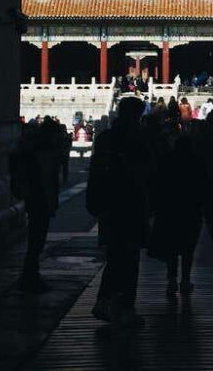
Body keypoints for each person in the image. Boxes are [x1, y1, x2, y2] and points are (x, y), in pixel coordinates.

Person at [86, 96, 152, 327]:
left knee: (115, 256)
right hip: (130, 206)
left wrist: (94, 204)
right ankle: (125, 307)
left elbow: (95, 172)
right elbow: (145, 173)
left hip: (108, 206)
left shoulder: (105, 138)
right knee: (130, 258)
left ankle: (104, 301)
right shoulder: (138, 139)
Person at [148, 134, 207, 296]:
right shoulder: (197, 162)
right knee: (189, 248)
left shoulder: (167, 160)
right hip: (191, 210)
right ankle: (186, 280)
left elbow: (157, 183)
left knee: (172, 247)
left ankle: (172, 279)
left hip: (170, 209)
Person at [11, 117, 63, 292]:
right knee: (36, 240)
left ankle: (31, 274)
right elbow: (47, 180)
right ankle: (29, 275)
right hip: (40, 200)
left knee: (36, 240)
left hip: (36, 199)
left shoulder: (37, 150)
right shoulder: (43, 152)